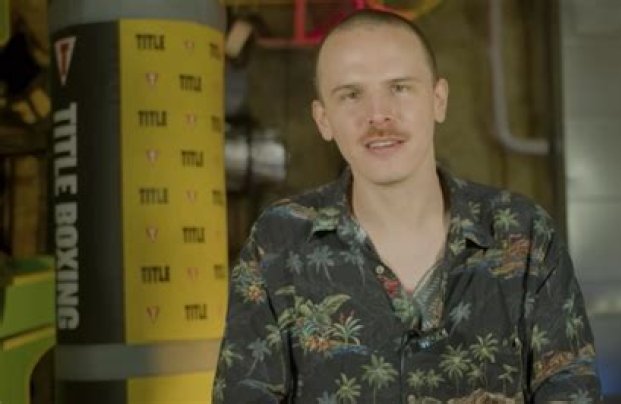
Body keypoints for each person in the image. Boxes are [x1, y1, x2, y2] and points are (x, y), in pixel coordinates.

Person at [213, 9, 601, 404]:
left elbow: (571, 390)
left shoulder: (523, 232)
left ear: (438, 100)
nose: (378, 115)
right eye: (351, 94)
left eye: (399, 87)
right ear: (323, 119)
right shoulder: (279, 240)